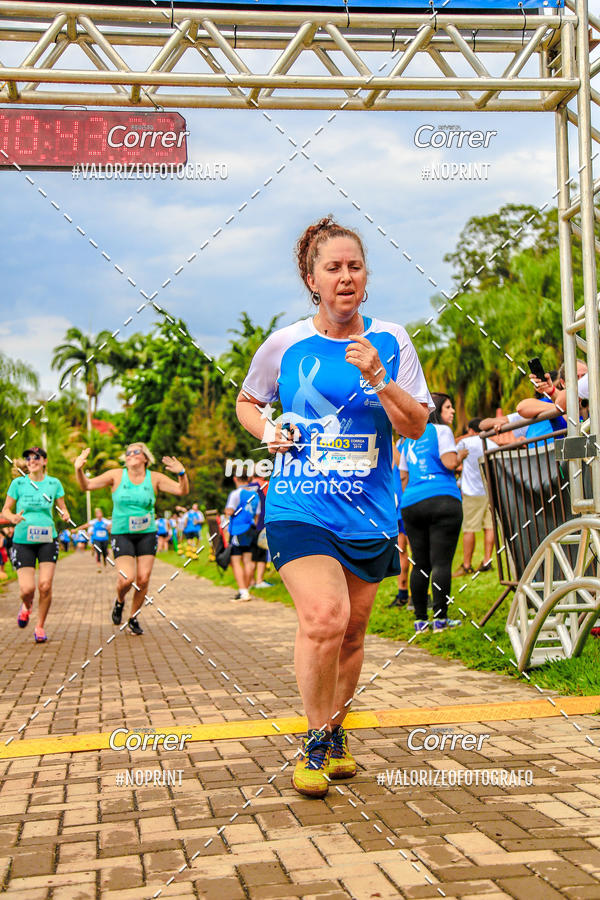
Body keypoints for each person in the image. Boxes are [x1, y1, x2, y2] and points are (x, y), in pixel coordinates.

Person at [236, 216, 430, 799]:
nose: (346, 276)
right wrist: (268, 429)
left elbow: (416, 426)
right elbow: (247, 402)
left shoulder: (392, 340)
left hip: (369, 511)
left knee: (351, 633)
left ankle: (337, 730)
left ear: (366, 277)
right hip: (299, 503)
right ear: (312, 280)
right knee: (325, 617)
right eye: (333, 268)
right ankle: (315, 741)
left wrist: (378, 377)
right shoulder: (285, 344)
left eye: (355, 266)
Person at [74, 442, 189, 635]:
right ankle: (119, 602)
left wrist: (182, 473)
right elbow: (87, 485)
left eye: (136, 451)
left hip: (147, 533)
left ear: (145, 458)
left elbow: (181, 490)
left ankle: (133, 617)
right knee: (126, 579)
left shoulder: (154, 478)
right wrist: (79, 469)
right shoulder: (116, 475)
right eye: (128, 452)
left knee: (143, 579)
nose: (131, 454)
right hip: (122, 533)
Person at [400, 393, 468, 634]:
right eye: (448, 407)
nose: (452, 411)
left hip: (412, 502)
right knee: (441, 562)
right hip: (442, 499)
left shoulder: (408, 438)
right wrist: (461, 456)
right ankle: (440, 619)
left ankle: (420, 620)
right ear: (436, 410)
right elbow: (449, 463)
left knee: (420, 563)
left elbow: (403, 476)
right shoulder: (442, 431)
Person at [1, 447, 71, 643]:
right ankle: (26, 606)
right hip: (23, 540)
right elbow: (6, 510)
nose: (32, 460)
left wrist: (65, 514)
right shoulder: (18, 483)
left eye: (36, 457)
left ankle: (40, 626)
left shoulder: (54, 483)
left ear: (44, 461)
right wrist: (12, 517)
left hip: (47, 539)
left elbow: (62, 508)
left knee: (45, 586)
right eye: (28, 458)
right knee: (27, 590)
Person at [453, 418, 495, 576]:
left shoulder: (466, 443)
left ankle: (467, 565)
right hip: (489, 491)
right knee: (489, 527)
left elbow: (453, 458)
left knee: (469, 529)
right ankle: (487, 561)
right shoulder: (492, 443)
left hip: (472, 491)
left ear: (471, 430)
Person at [225, 474, 260, 602]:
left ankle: (243, 591)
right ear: (249, 479)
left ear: (235, 478)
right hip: (250, 528)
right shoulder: (255, 495)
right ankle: (245, 590)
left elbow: (229, 511)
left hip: (238, 529)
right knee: (248, 561)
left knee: (235, 561)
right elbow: (257, 515)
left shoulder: (236, 493)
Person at [388, 439, 411, 608]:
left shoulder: (412, 440)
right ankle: (402, 592)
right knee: (400, 550)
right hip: (396, 505)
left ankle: (422, 595)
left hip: (409, 502)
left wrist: (391, 443)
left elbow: (402, 464)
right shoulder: (399, 442)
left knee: (416, 552)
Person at [246, 475, 272, 589]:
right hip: (261, 523)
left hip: (248, 525)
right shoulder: (266, 485)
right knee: (261, 553)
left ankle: (251, 581)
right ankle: (259, 580)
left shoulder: (246, 487)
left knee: (250, 555)